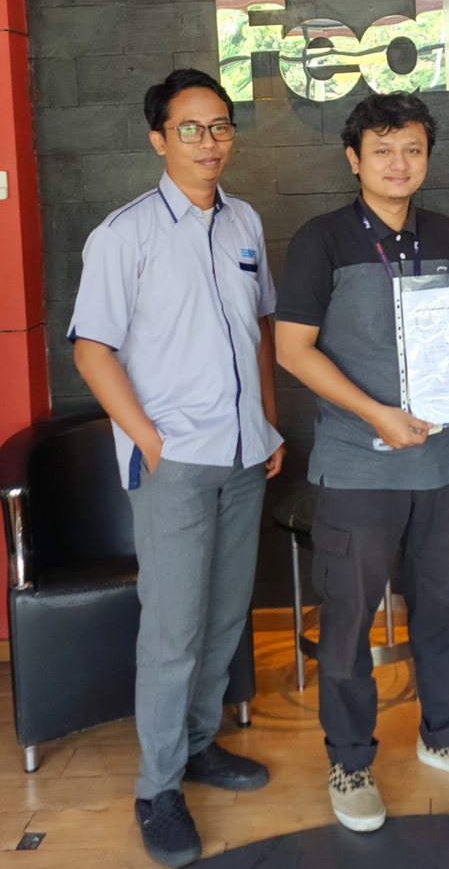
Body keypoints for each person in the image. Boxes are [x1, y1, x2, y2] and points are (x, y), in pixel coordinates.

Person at [274, 92, 449, 833]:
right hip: (359, 467)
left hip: (444, 465)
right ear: (354, 160)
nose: (398, 163)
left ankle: (447, 735)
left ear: (426, 158)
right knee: (349, 621)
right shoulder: (320, 240)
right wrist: (375, 412)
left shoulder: (444, 232)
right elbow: (292, 350)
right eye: (382, 150)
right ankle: (350, 761)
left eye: (412, 149)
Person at [69, 69, 285, 868]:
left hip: (243, 454)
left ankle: (198, 747)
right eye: (190, 128)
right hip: (176, 465)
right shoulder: (123, 235)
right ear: (159, 138)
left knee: (224, 618)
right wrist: (149, 443)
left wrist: (267, 422)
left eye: (220, 126)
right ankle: (157, 789)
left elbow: (260, 328)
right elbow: (92, 350)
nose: (208, 141)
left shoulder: (245, 222)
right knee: (172, 632)